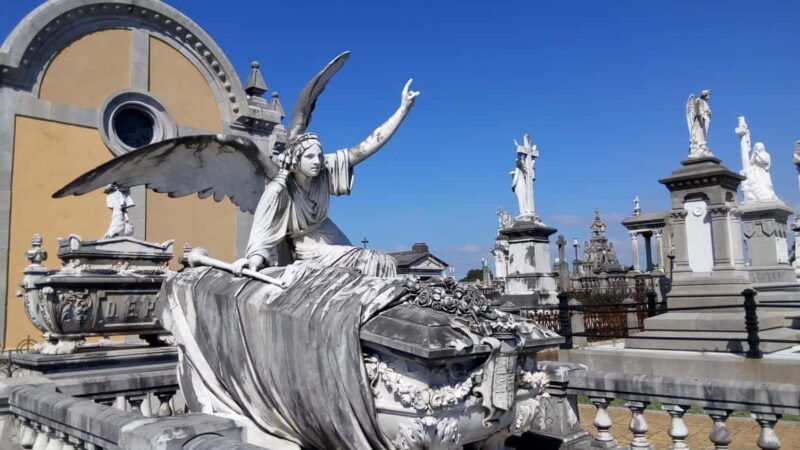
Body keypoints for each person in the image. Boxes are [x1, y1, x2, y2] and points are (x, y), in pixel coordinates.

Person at [231, 80, 420, 277]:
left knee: (381, 263)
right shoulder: (279, 189)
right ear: (296, 160)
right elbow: (262, 231)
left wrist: (403, 110)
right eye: (309, 157)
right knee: (373, 261)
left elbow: (367, 146)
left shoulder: (323, 170)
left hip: (328, 233)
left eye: (319, 156)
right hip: (306, 246)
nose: (317, 161)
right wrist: (254, 260)